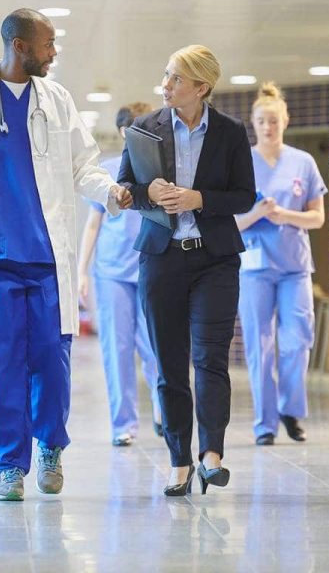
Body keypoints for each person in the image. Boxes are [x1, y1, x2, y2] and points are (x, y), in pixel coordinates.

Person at [0, 8, 132, 501]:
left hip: (45, 260)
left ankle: (50, 448)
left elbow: (84, 166)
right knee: (2, 366)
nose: (54, 52)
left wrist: (111, 192)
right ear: (19, 45)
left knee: (52, 366)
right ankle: (7, 467)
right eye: (48, 43)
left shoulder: (57, 100)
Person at [118, 45, 255, 496]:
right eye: (166, 76)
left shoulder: (231, 133)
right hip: (161, 259)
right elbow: (124, 189)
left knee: (210, 358)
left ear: (202, 87)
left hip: (215, 259)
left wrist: (200, 199)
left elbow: (244, 197)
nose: (166, 85)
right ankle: (179, 459)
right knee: (170, 365)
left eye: (176, 79)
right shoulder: (144, 129)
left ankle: (211, 454)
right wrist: (147, 191)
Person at [234, 82, 327, 446]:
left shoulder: (302, 162)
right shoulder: (242, 163)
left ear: (285, 121)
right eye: (261, 121)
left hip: (294, 267)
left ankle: (290, 408)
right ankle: (265, 424)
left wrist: (284, 214)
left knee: (297, 341)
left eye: (273, 120)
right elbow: (229, 222)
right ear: (253, 124)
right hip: (254, 268)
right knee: (260, 345)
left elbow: (317, 218)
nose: (268, 127)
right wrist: (256, 213)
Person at [77, 102, 163, 446]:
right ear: (125, 132)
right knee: (118, 349)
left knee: (157, 348)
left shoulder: (160, 171)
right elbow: (93, 223)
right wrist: (81, 272)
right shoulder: (108, 172)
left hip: (151, 270)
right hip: (112, 273)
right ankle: (123, 426)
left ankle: (162, 411)